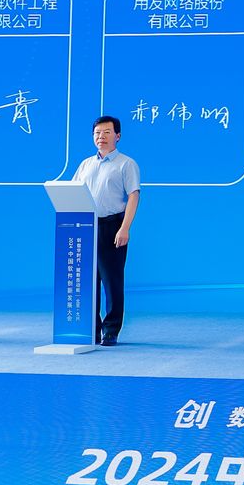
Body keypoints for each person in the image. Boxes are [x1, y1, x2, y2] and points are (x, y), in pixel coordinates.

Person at [72, 116, 140, 347]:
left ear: (117, 136)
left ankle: (110, 331)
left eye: (107, 132)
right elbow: (73, 191)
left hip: (112, 227)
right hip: (86, 227)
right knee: (88, 281)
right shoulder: (85, 164)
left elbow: (133, 196)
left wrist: (124, 228)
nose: (101, 137)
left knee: (112, 282)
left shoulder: (126, 164)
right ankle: (92, 328)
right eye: (97, 133)